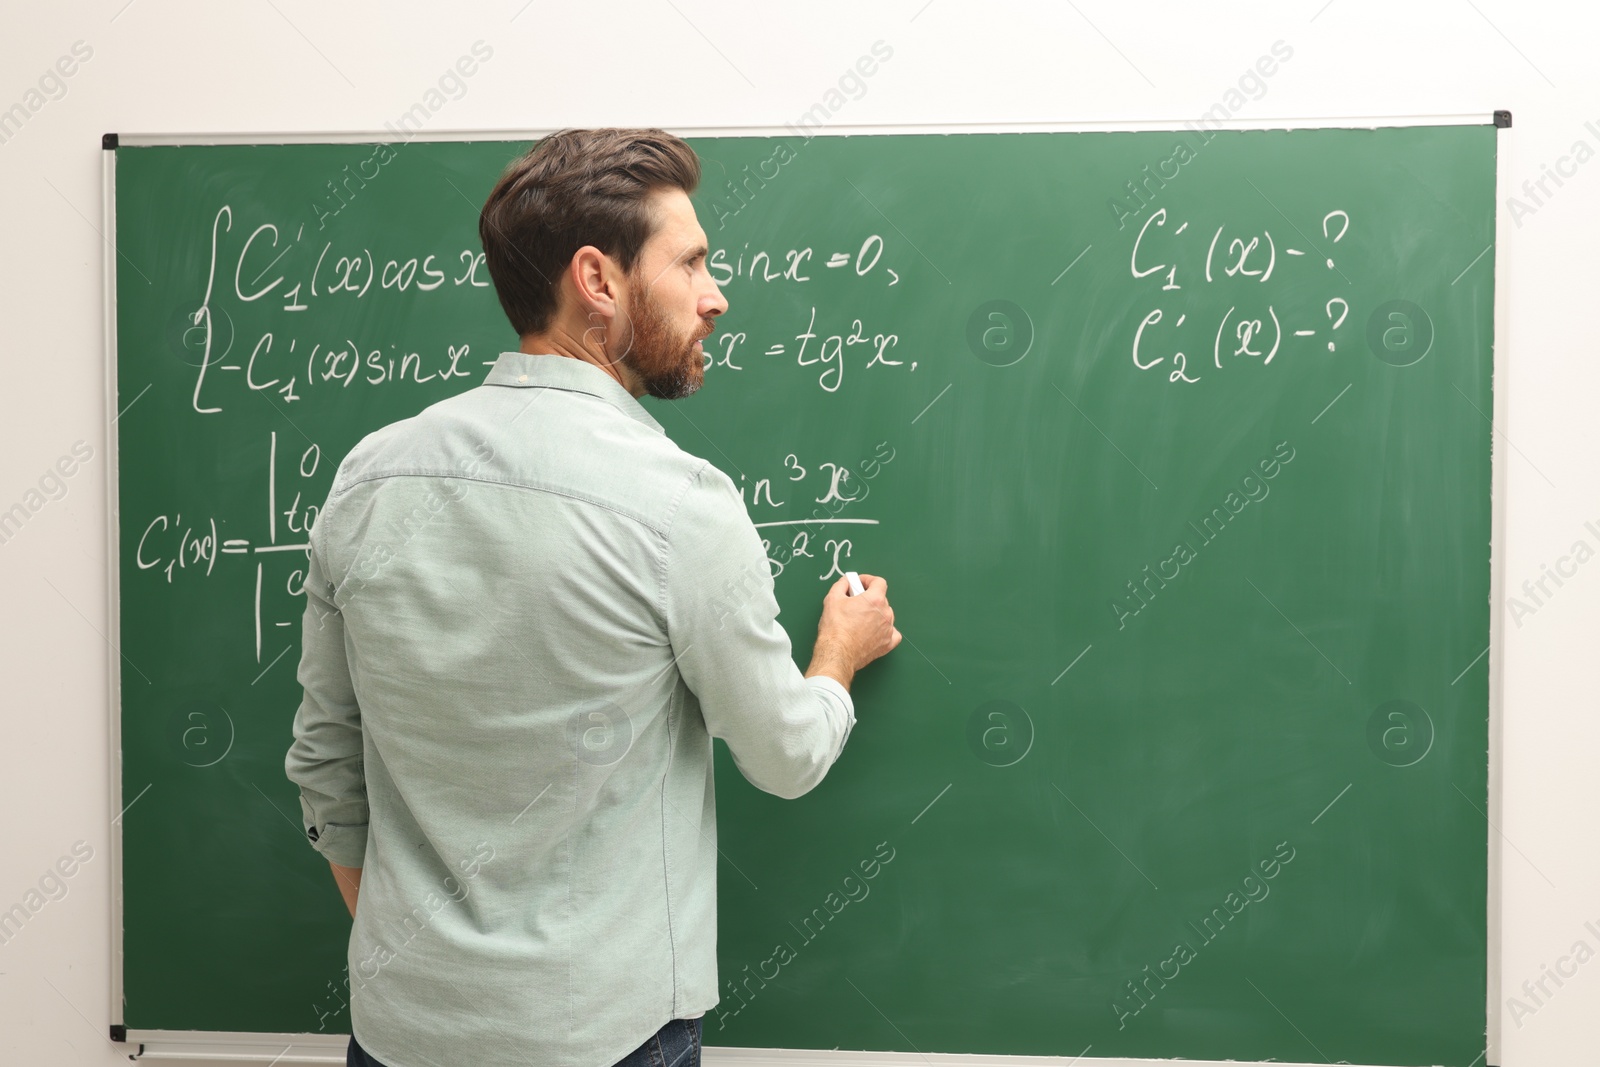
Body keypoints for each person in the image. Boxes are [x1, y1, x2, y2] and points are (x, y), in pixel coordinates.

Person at [283, 127, 901, 1067]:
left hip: (398, 1031)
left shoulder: (371, 477)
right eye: (690, 261)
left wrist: (434, 970)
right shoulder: (677, 504)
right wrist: (838, 654)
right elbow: (785, 754)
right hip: (599, 1040)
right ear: (599, 282)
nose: (715, 294)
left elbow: (328, 761)